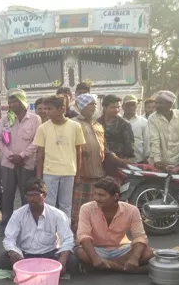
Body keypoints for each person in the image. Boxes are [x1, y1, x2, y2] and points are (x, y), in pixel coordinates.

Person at [0, 178, 77, 275]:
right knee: (2, 260)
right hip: (25, 255)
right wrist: (14, 253)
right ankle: (38, 269)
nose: (31, 199)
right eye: (29, 196)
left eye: (35, 195)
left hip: (49, 255)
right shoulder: (18, 214)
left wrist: (62, 262)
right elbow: (9, 238)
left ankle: (32, 269)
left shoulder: (57, 214)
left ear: (44, 196)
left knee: (72, 260)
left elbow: (68, 239)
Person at [76, 177, 153, 273]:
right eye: (95, 194)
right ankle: (124, 269)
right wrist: (94, 257)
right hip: (97, 249)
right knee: (81, 253)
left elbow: (140, 236)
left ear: (115, 196)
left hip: (120, 249)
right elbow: (83, 235)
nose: (96, 198)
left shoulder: (131, 210)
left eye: (101, 195)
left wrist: (135, 257)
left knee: (148, 252)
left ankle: (106, 266)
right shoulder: (86, 208)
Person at [0, 88, 41, 237]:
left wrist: (22, 156)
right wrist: (11, 156)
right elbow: (0, 141)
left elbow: (36, 141)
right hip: (8, 164)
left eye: (14, 100)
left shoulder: (35, 119)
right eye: (10, 101)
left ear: (22, 101)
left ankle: (27, 226)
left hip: (27, 163)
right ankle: (5, 225)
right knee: (7, 195)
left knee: (26, 195)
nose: (11, 104)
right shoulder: (5, 119)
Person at [34, 95, 85, 220]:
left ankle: (65, 234)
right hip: (49, 172)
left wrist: (78, 174)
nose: (46, 112)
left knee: (66, 205)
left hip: (69, 172)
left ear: (62, 109)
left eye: (50, 109)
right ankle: (50, 234)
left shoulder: (75, 126)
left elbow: (79, 151)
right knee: (49, 205)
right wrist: (39, 177)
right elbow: (40, 154)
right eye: (45, 109)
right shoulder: (43, 128)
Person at [71, 94, 107, 232]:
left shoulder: (97, 124)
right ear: (81, 107)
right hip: (81, 171)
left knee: (94, 204)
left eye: (94, 104)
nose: (93, 107)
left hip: (97, 171)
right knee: (78, 205)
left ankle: (93, 231)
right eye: (90, 104)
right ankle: (77, 232)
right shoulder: (74, 123)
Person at [148, 91, 179, 169]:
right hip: (158, 163)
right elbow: (155, 140)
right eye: (156, 102)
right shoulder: (152, 118)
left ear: (170, 104)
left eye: (160, 103)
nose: (156, 105)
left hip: (177, 160)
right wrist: (157, 160)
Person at [97, 95, 134, 161]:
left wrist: (124, 161)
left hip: (119, 162)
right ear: (104, 107)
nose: (116, 110)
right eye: (113, 107)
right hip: (100, 160)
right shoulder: (97, 123)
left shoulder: (124, 124)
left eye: (118, 107)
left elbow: (129, 147)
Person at [122, 95, 150, 163]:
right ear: (123, 106)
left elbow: (147, 141)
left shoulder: (143, 122)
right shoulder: (118, 121)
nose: (131, 107)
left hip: (139, 160)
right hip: (121, 160)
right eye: (129, 105)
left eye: (133, 105)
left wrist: (146, 158)